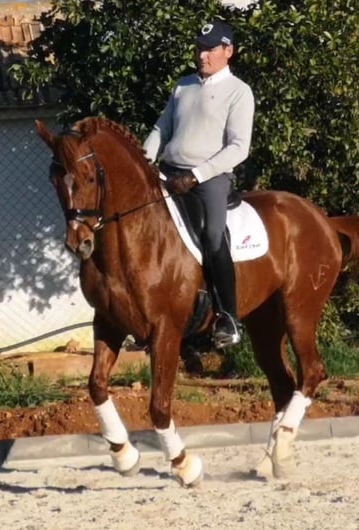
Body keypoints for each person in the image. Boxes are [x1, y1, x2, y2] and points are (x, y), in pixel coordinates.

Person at [143, 19, 255, 349]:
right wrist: (144, 159)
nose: (202, 56)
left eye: (210, 50)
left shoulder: (239, 92)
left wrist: (197, 175)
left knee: (212, 234)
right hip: (169, 171)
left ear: (228, 51)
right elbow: (162, 128)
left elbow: (238, 147)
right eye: (200, 49)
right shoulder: (184, 85)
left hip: (210, 179)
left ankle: (228, 317)